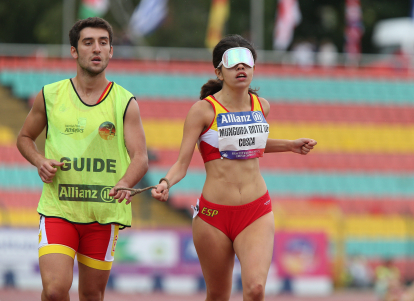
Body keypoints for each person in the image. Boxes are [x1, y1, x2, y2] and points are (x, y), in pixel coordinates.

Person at [151, 34, 317, 301]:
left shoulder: (261, 106)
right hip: (213, 217)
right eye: (233, 62)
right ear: (218, 70)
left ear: (253, 68)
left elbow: (252, 143)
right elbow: (182, 164)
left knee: (256, 290)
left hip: (256, 211)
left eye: (246, 62)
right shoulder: (202, 111)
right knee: (218, 295)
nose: (241, 67)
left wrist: (290, 145)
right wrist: (165, 183)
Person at [16, 17, 148, 301]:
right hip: (58, 210)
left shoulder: (125, 102)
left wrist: (126, 181)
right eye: (88, 43)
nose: (96, 49)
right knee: (54, 291)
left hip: (103, 215)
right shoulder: (50, 95)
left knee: (91, 294)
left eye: (103, 43)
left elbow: (141, 157)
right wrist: (39, 160)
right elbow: (24, 138)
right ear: (74, 51)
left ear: (112, 51)